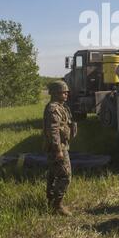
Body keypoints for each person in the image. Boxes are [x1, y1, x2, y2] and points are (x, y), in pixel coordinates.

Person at [43, 80, 77, 216]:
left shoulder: (60, 106)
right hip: (58, 148)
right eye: (64, 92)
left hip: (60, 146)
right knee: (65, 175)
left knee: (53, 174)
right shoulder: (54, 109)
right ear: (56, 93)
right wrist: (58, 150)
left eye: (66, 92)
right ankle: (57, 206)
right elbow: (53, 130)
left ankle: (52, 202)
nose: (66, 94)